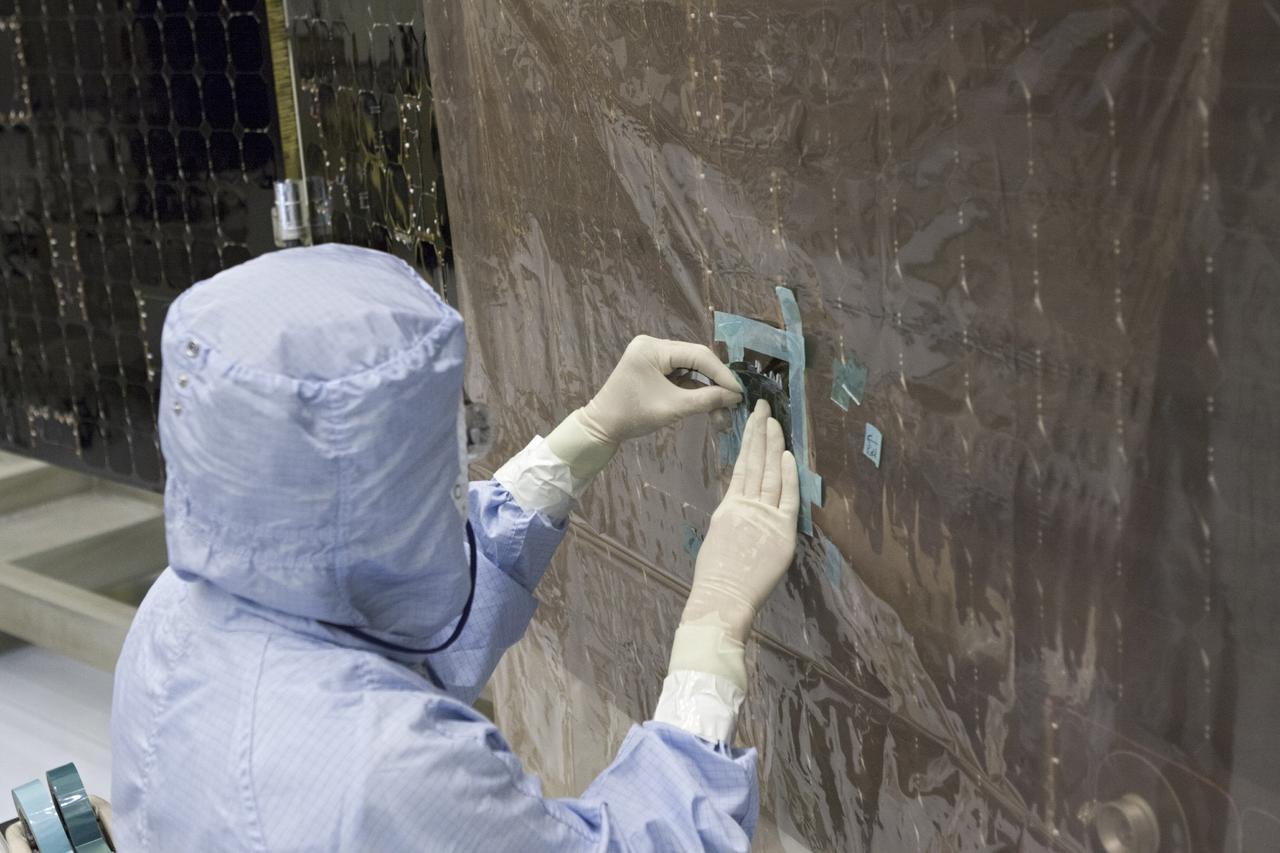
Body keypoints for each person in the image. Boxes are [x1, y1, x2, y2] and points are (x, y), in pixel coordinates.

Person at [110, 244, 800, 851]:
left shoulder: (178, 612)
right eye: (445, 440)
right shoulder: (384, 772)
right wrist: (715, 621)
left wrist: (586, 436)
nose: (461, 451)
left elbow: (394, 609)